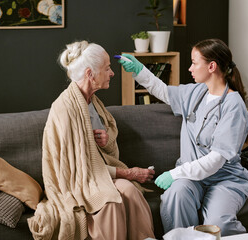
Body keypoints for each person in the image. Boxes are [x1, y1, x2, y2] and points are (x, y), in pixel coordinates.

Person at [118, 38, 248, 236]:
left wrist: (174, 174)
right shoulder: (196, 92)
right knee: (177, 194)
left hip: (224, 179)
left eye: (194, 63)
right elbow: (163, 91)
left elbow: (216, 160)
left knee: (220, 225)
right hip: (191, 178)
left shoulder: (233, 105)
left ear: (211, 66)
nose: (190, 68)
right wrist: (139, 70)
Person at [28, 40, 155, 240]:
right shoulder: (65, 109)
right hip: (78, 181)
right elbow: (78, 170)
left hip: (98, 176)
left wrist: (106, 140)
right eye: (107, 68)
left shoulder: (93, 102)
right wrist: (130, 172)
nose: (112, 73)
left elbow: (103, 151)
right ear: (90, 74)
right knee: (110, 202)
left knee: (130, 192)